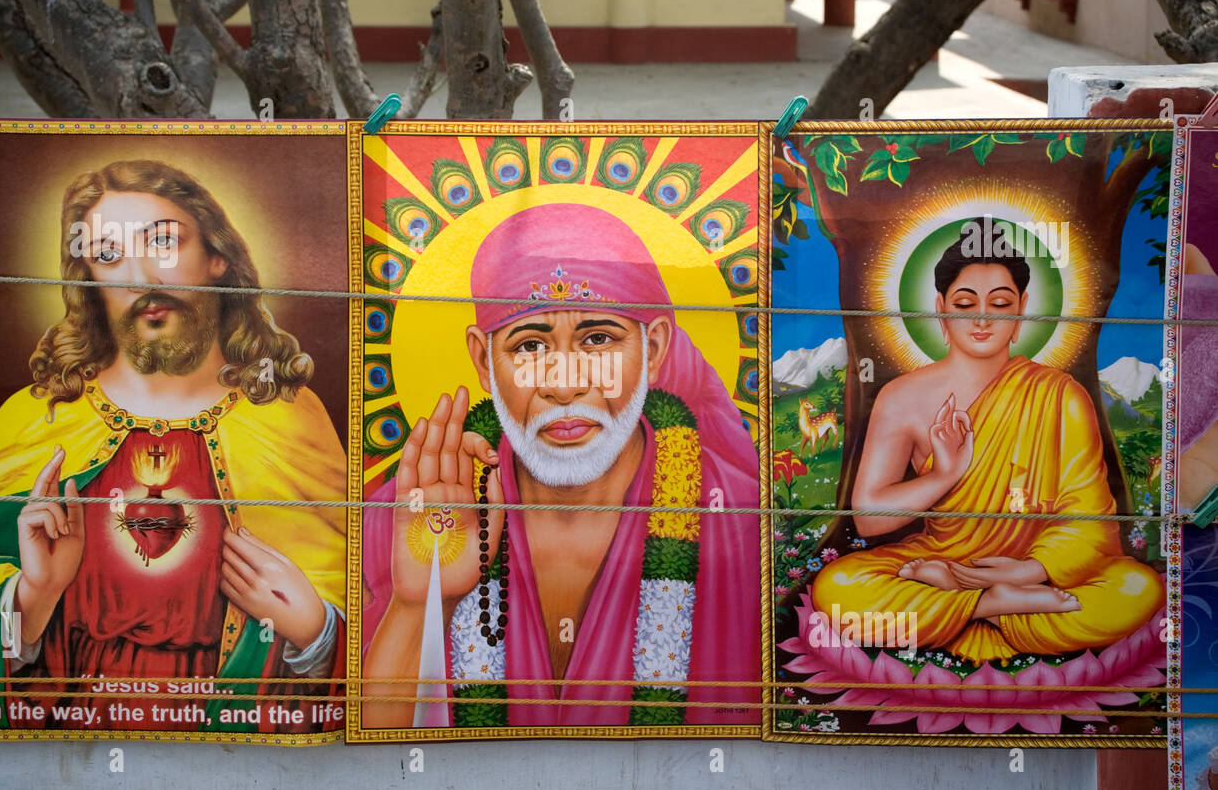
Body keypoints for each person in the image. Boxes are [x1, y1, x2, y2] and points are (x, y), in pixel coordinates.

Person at [0, 160, 347, 734]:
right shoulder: (40, 418)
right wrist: (31, 595)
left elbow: (367, 594)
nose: (141, 276)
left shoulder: (286, 418)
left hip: (235, 750)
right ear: (89, 279)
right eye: (108, 254)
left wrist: (316, 631)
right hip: (68, 749)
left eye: (163, 241)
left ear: (217, 256)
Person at [361, 203, 760, 728]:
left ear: (654, 348)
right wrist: (418, 607)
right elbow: (371, 742)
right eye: (530, 345)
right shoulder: (408, 517)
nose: (565, 385)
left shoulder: (741, 518)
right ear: (483, 361)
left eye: (598, 339)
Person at [811, 218, 1163, 665]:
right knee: (839, 589)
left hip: (1034, 568)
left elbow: (1089, 519)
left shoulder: (1060, 395)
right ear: (941, 308)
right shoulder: (902, 397)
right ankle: (994, 607)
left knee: (1136, 589)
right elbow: (868, 518)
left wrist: (1031, 570)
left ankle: (968, 604)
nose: (982, 318)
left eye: (999, 303)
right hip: (942, 556)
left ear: (1022, 310)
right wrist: (944, 475)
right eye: (965, 303)